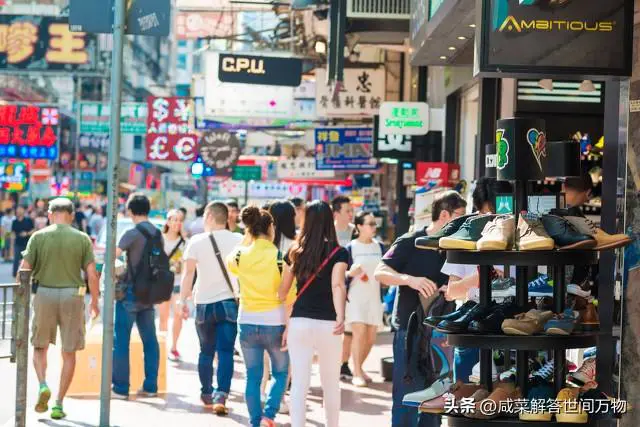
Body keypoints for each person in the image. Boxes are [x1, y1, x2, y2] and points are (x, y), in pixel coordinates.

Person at [374, 190, 467, 427]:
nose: (464, 222)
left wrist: (454, 288)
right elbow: (380, 272)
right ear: (444, 215)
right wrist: (410, 280)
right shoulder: (410, 241)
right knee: (407, 396)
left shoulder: (456, 247)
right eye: (460, 216)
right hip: (410, 330)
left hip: (441, 334)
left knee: (436, 398)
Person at [20, 198, 100, 420]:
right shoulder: (82, 238)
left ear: (49, 213)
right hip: (73, 296)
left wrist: (22, 299)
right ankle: (58, 403)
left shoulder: (39, 236)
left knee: (39, 346)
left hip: (44, 293)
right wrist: (95, 301)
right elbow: (91, 274)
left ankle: (43, 384)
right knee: (69, 351)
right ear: (72, 215)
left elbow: (23, 272)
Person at [279, 201, 348, 427]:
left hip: (299, 322)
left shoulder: (295, 251)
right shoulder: (339, 252)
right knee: (330, 382)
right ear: (330, 221)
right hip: (328, 323)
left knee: (300, 382)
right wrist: (340, 316)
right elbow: (338, 285)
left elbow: (283, 291)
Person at [227, 207, 290, 427]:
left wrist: (248, 240)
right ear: (271, 228)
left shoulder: (239, 254)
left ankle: (255, 421)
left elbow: (231, 264)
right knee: (280, 373)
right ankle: (269, 415)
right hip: (275, 322)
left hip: (246, 321)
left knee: (252, 376)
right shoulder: (280, 259)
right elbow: (290, 296)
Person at [180, 202, 243, 414]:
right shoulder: (239, 240)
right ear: (227, 218)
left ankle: (206, 392)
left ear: (208, 216)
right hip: (229, 304)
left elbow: (188, 274)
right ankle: (221, 395)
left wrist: (182, 301)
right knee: (225, 351)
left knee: (206, 352)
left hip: (204, 304)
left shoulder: (196, 241)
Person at [112, 193, 161, 399]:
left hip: (129, 293)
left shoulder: (131, 233)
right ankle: (150, 386)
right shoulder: (157, 233)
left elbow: (112, 255)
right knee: (150, 340)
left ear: (130, 211)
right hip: (148, 294)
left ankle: (121, 388)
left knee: (121, 341)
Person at [345, 211, 385, 387]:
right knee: (359, 333)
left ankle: (358, 367)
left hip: (374, 297)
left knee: (370, 338)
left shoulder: (380, 246)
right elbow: (341, 275)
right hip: (355, 297)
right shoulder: (350, 248)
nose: (374, 227)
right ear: (359, 226)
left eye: (375, 224)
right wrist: (351, 273)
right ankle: (357, 372)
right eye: (370, 224)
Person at [158, 209, 187, 361]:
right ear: (168, 222)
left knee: (178, 315)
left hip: (178, 283)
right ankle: (162, 345)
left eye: (179, 220)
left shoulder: (185, 243)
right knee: (163, 317)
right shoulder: (160, 239)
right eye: (173, 219)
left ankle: (174, 346)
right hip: (162, 283)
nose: (177, 223)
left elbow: (188, 267)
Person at [331, 195, 355, 379]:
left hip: (353, 286)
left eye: (351, 210)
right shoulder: (328, 233)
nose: (351, 214)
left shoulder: (356, 232)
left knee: (349, 328)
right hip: (333, 286)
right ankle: (332, 361)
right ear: (336, 213)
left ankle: (344, 363)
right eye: (347, 210)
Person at [12, 205, 34, 277]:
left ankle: (27, 274)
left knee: (26, 260)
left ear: (23, 210)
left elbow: (33, 230)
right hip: (17, 243)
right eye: (17, 210)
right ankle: (15, 274)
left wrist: (26, 233)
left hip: (27, 243)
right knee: (16, 260)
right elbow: (13, 233)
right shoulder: (14, 221)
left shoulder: (28, 220)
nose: (18, 211)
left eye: (20, 209)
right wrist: (12, 243)